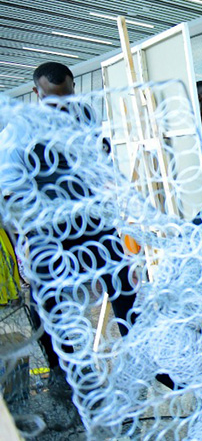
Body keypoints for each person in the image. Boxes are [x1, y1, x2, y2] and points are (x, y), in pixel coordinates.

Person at [0, 62, 139, 395]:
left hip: (94, 220)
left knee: (123, 282)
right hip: (50, 229)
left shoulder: (86, 115)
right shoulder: (20, 128)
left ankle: (141, 349)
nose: (63, 105)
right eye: (53, 99)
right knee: (48, 300)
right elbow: (9, 184)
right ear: (37, 92)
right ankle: (65, 371)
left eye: (68, 95)